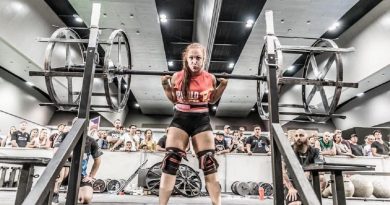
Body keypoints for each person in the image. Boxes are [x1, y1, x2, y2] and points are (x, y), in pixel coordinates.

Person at [159, 43, 228, 205]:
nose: (194, 61)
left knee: (209, 162)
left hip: (201, 119)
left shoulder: (210, 78)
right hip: (180, 118)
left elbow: (212, 99)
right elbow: (173, 99)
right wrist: (165, 85)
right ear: (186, 59)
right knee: (171, 161)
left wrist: (222, 86)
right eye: (191, 58)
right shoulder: (177, 76)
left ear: (204, 60)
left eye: (198, 58)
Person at [52, 119, 103, 204]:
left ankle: (73, 192)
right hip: (64, 172)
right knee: (63, 164)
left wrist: (91, 176)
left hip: (80, 174)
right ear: (73, 126)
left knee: (85, 199)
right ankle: (55, 193)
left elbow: (98, 160)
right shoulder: (64, 135)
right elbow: (56, 153)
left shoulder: (91, 141)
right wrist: (74, 154)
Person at [283, 129, 323, 205]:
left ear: (307, 137)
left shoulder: (314, 151)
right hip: (292, 183)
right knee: (295, 204)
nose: (298, 138)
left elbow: (319, 166)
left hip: (307, 184)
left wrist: (308, 170)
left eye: (301, 135)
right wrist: (290, 188)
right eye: (296, 135)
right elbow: (282, 169)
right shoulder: (289, 149)